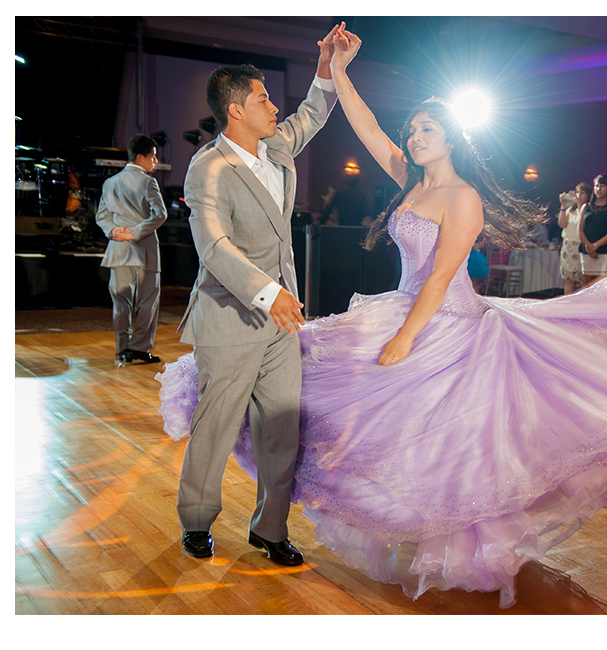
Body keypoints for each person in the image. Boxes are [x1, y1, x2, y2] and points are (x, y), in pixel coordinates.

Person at [156, 26, 607, 608]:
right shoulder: (405, 180)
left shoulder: (463, 197)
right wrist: (339, 72)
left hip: (447, 322)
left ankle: (334, 532)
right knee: (345, 417)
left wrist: (406, 338)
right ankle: (223, 518)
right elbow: (361, 128)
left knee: (448, 444)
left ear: (451, 138)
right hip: (386, 311)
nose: (413, 137)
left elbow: (440, 277)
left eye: (425, 129)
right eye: (411, 129)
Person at [172, 25, 342, 565]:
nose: (275, 106)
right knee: (216, 426)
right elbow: (214, 248)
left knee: (281, 430)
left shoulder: (275, 148)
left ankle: (270, 528)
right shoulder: (209, 167)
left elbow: (312, 114)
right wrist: (270, 294)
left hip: (281, 319)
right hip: (229, 314)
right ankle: (196, 520)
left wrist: (326, 66)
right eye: (264, 98)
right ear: (235, 111)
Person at [95, 134, 167, 365]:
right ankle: (138, 348)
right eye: (153, 156)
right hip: (143, 251)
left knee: (121, 303)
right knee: (147, 302)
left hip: (118, 250)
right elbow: (160, 215)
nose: (155, 161)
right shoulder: (148, 182)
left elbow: (101, 216)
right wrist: (134, 232)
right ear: (141, 157)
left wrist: (114, 230)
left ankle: (122, 349)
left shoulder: (110, 182)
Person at [579, 174, 607, 286]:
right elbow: (580, 231)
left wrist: (596, 246)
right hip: (587, 251)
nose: (599, 189)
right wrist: (589, 247)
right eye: (596, 186)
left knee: (604, 287)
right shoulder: (586, 207)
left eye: (602, 186)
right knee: (588, 287)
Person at [557, 181, 590, 294]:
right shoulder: (570, 210)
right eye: (577, 192)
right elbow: (562, 224)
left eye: (583, 192)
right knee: (568, 279)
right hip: (568, 246)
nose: (579, 195)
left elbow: (585, 222)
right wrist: (563, 205)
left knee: (583, 279)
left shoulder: (588, 210)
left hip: (581, 246)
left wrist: (580, 204)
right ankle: (568, 306)